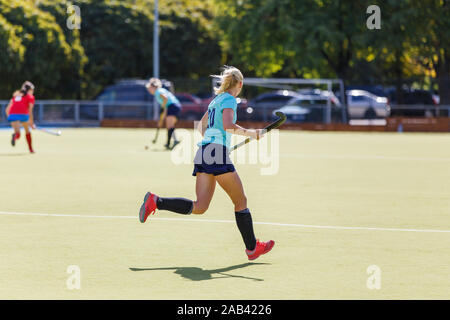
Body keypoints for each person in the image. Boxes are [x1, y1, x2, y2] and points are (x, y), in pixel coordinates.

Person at [139, 66, 275, 261]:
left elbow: (202, 127)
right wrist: (251, 134)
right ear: (240, 84)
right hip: (215, 153)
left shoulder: (215, 101)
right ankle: (252, 248)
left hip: (204, 151)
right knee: (240, 201)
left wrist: (216, 143)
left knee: (200, 206)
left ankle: (156, 202)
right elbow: (228, 126)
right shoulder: (229, 99)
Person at [146, 78, 181, 149]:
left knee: (169, 125)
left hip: (172, 106)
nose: (149, 90)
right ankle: (173, 142)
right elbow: (165, 106)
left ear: (153, 87)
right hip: (174, 106)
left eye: (149, 88)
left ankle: (170, 143)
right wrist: (162, 118)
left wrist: (163, 107)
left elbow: (165, 99)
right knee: (169, 125)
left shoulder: (158, 91)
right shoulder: (159, 91)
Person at [5, 81, 36, 153]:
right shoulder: (30, 97)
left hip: (12, 115)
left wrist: (10, 118)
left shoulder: (16, 95)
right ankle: (31, 149)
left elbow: (7, 109)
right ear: (29, 90)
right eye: (32, 90)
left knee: (17, 134)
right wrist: (31, 123)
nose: (33, 92)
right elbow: (30, 111)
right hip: (24, 115)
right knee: (27, 131)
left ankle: (15, 136)